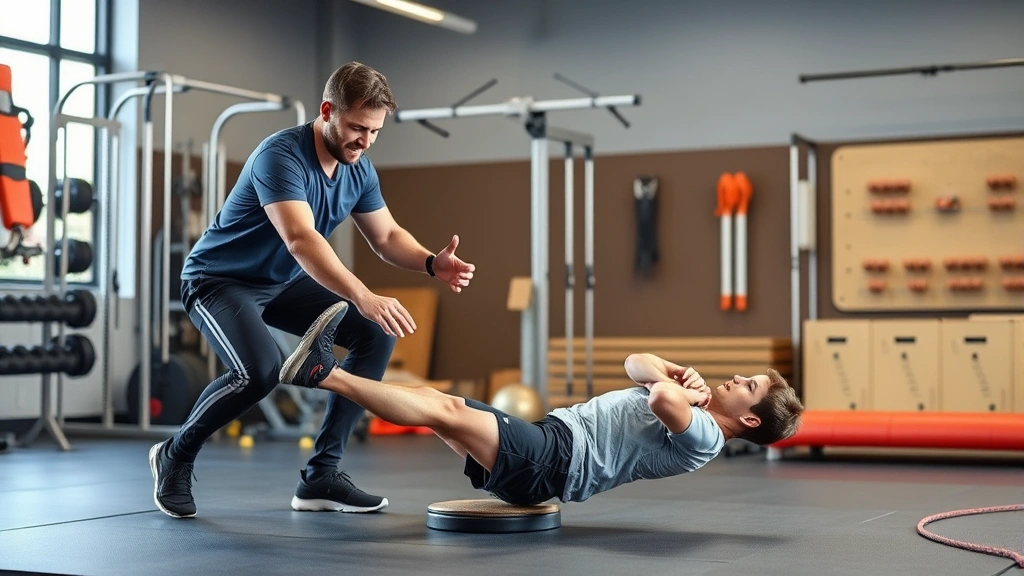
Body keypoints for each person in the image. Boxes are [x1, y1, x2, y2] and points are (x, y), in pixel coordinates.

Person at [149, 61, 476, 519]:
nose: (365, 141)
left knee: (374, 332)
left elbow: (386, 236)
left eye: (375, 131)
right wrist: (362, 294)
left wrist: (429, 262)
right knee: (260, 371)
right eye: (357, 128)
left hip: (280, 282)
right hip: (218, 279)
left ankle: (322, 474)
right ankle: (175, 454)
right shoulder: (280, 155)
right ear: (327, 111)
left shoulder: (358, 169)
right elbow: (301, 239)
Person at [277, 302, 805, 506]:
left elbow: (664, 398)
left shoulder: (707, 436)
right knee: (436, 401)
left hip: (555, 462)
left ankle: (324, 374)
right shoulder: (698, 407)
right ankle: (326, 372)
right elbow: (635, 364)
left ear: (749, 417)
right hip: (550, 443)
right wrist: (673, 369)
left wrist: (682, 388)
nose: (737, 377)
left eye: (749, 385)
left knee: (444, 412)